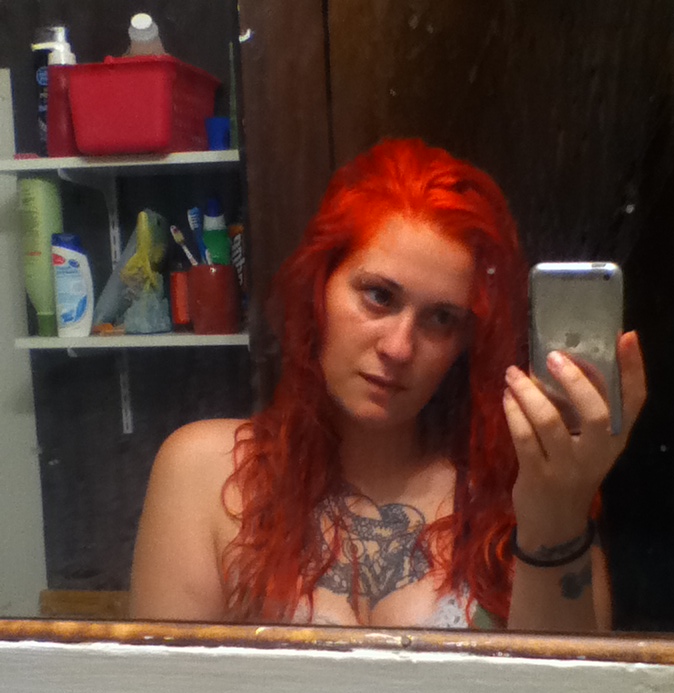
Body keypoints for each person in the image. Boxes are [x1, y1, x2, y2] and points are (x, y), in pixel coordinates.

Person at [130, 138, 646, 630]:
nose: (399, 348)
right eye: (379, 296)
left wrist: (555, 516)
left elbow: (563, 691)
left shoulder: (514, 491)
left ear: (466, 341)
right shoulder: (205, 472)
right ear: (319, 288)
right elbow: (159, 692)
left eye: (441, 319)